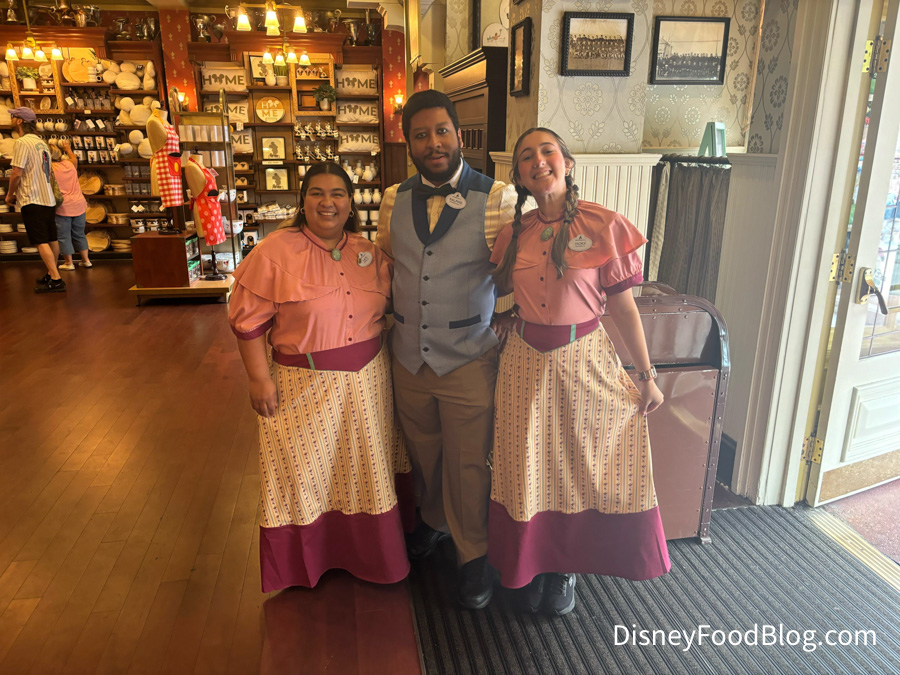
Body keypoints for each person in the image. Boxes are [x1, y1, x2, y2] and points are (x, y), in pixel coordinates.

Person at [488, 128, 670, 616]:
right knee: (528, 463)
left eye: (547, 151)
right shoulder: (514, 233)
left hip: (583, 359)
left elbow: (624, 309)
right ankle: (529, 560)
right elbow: (499, 293)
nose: (538, 161)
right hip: (524, 362)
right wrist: (506, 317)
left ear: (566, 163)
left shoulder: (604, 224)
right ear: (519, 175)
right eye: (526, 156)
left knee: (577, 463)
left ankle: (565, 567)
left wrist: (646, 376)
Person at [228, 162, 411, 592]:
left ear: (351, 203)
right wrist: (259, 379)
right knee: (305, 472)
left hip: (368, 383)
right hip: (303, 384)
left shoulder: (369, 252)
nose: (328, 202)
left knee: (365, 470)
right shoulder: (275, 251)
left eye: (337, 194)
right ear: (302, 200)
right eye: (317, 193)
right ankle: (308, 562)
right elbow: (247, 322)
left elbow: (396, 306)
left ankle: (372, 556)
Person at [375, 90, 517, 609]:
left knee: (467, 461)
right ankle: (434, 521)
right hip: (408, 353)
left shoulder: (497, 197)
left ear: (458, 135)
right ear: (408, 143)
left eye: (441, 131)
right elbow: (387, 265)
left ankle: (473, 553)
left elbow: (515, 270)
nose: (432, 143)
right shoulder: (393, 198)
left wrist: (510, 314)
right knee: (424, 451)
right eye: (420, 135)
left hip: (468, 355)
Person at [6, 107, 62, 293]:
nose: (11, 119)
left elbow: (17, 172)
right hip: (47, 197)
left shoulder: (22, 142)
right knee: (51, 238)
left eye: (13, 116)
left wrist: (10, 194)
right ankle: (51, 272)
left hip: (32, 197)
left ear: (19, 121)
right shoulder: (41, 143)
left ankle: (56, 279)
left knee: (40, 240)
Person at [50, 140, 91, 271]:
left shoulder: (50, 168)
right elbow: (74, 159)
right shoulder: (69, 164)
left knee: (64, 236)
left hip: (63, 206)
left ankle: (69, 263)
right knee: (79, 233)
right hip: (79, 203)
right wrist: (67, 148)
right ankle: (86, 260)